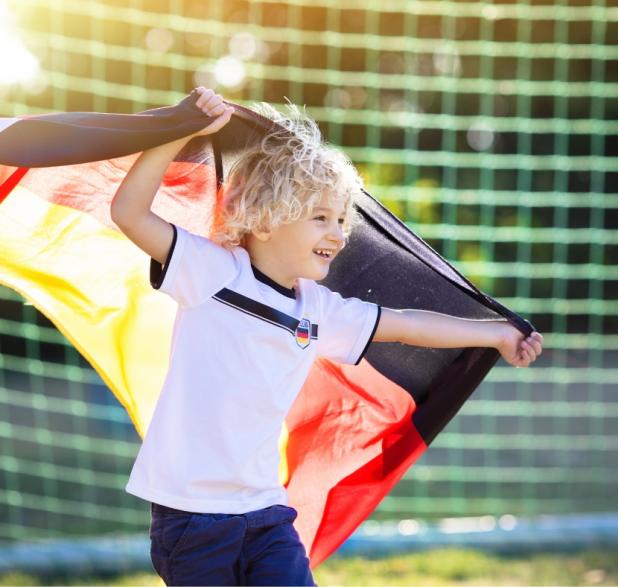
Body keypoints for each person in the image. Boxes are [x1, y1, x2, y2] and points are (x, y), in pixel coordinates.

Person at [111, 87, 544, 586]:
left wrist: (495, 335)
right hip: (192, 518)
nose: (338, 234)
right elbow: (129, 212)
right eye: (321, 218)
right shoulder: (212, 273)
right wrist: (178, 130)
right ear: (266, 218)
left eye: (341, 220)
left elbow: (404, 324)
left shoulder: (318, 311)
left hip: (265, 512)